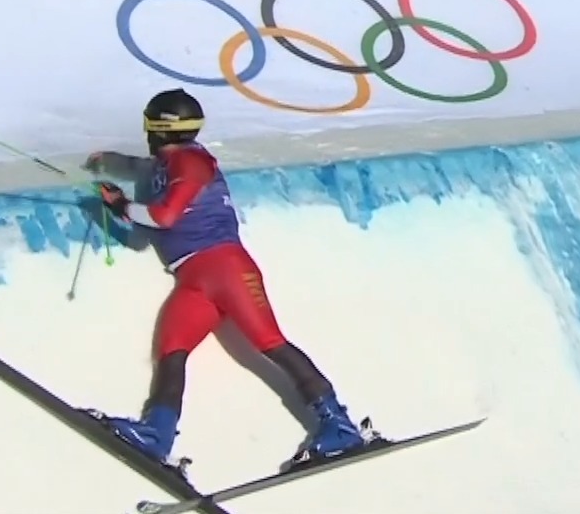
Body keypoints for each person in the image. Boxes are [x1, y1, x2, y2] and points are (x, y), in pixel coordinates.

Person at [85, 89, 371, 466]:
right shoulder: (166, 164)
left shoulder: (191, 163)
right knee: (171, 350)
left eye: (149, 128)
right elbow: (139, 169)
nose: (146, 136)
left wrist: (120, 205)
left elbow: (165, 217)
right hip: (194, 279)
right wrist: (104, 162)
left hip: (226, 269)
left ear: (161, 130)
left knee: (271, 343)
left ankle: (341, 426)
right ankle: (157, 435)